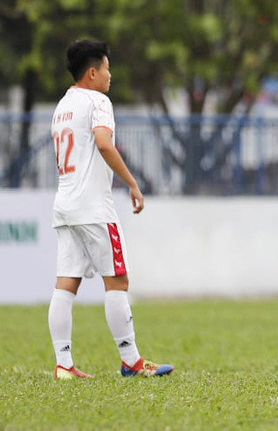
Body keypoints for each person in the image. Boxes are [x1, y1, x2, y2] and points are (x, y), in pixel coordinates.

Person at [48, 39, 173, 380]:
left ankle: (63, 364)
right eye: (105, 67)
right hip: (94, 208)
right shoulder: (97, 100)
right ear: (92, 73)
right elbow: (104, 143)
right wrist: (132, 182)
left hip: (65, 206)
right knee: (117, 280)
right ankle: (131, 361)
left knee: (65, 285)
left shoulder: (62, 106)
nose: (109, 74)